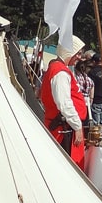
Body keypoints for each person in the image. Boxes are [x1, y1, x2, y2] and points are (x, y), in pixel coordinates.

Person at [40, 38, 89, 168]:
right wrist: (77, 126)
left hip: (66, 127)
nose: (79, 57)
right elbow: (64, 103)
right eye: (77, 53)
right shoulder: (60, 71)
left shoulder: (60, 68)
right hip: (63, 129)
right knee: (67, 168)